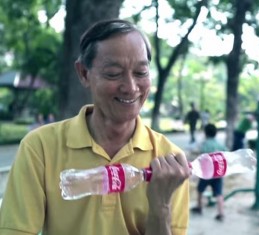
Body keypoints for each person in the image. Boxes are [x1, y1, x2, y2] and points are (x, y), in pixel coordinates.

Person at [0, 19, 190, 235]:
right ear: (83, 73)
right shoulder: (40, 148)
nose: (130, 87)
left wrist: (161, 207)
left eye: (140, 73)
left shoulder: (170, 161)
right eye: (113, 73)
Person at [190, 123, 227, 221]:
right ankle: (221, 213)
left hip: (206, 174)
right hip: (218, 174)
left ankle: (199, 207)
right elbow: (225, 155)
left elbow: (200, 156)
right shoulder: (220, 145)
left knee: (200, 190)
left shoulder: (204, 144)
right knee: (219, 194)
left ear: (205, 133)